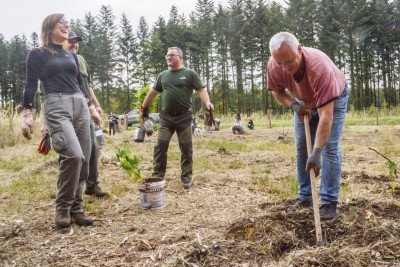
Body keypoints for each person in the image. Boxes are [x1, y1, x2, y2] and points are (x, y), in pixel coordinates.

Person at [21, 14, 102, 228]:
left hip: (79, 105)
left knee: (84, 157)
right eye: (62, 23)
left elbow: (81, 85)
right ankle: (63, 207)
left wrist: (92, 108)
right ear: (49, 27)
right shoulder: (37, 54)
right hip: (55, 103)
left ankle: (77, 208)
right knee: (73, 155)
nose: (67, 27)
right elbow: (30, 84)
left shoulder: (71, 56)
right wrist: (27, 114)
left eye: (68, 24)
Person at [267, 32, 348, 220]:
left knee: (328, 147)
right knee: (302, 146)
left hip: (334, 96)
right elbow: (277, 92)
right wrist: (294, 105)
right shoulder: (274, 64)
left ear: (300, 49)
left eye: (289, 62)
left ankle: (329, 202)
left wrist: (317, 152)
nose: (285, 68)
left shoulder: (320, 68)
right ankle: (305, 197)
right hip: (303, 100)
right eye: (279, 63)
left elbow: (326, 116)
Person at [140, 47, 214, 189]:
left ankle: (186, 177)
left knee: (186, 148)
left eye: (171, 55)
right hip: (166, 118)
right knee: (160, 146)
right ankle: (158, 176)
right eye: (166, 55)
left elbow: (201, 90)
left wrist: (208, 102)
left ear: (180, 57)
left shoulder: (190, 74)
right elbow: (153, 92)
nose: (168, 58)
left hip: (184, 117)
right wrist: (143, 108)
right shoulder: (163, 75)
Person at [65, 31, 109, 198]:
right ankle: (72, 191)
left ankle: (92, 185)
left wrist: (96, 106)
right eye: (71, 41)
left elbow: (88, 86)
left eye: (77, 42)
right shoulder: (55, 60)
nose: (74, 45)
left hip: (86, 109)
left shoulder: (81, 60)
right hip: (68, 110)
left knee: (92, 147)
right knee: (73, 152)